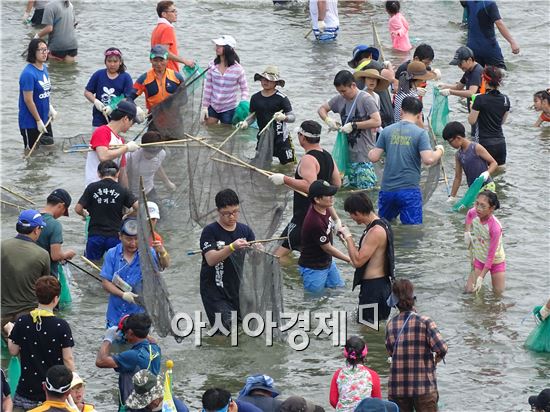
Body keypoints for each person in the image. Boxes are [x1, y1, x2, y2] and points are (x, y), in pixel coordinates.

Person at [269, 120, 341, 257]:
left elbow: (311, 187)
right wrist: (336, 218)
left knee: (276, 257)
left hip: (304, 218)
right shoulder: (328, 156)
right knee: (312, 255)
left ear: (302, 137)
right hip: (322, 217)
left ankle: (293, 276)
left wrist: (284, 179)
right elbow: (337, 183)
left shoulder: (309, 159)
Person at [368, 97, 444, 224]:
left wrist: (370, 150)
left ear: (401, 111)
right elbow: (428, 159)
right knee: (411, 231)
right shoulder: (420, 133)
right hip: (409, 191)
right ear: (420, 114)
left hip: (387, 190)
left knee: (385, 226)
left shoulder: (387, 131)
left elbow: (374, 157)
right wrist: (440, 151)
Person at [4, 276, 75, 411]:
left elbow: (13, 351)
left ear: (37, 296)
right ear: (56, 299)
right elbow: (68, 359)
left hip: (25, 393)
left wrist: (10, 332)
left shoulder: (22, 322)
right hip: (53, 395)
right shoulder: (62, 326)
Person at [385, 279, 448, 412]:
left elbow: (391, 352)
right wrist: (436, 360)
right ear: (413, 298)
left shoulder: (390, 324)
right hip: (423, 387)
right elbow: (442, 348)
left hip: (398, 388)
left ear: (395, 303)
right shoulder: (425, 322)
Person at [199, 189, 254, 329]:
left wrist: (259, 251)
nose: (232, 216)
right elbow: (211, 259)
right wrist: (231, 247)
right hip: (214, 290)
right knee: (225, 329)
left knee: (241, 328)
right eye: (227, 213)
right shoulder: (210, 231)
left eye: (235, 212)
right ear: (218, 211)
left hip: (236, 289)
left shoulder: (245, 231)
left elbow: (256, 261)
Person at [318, 70, 381, 189]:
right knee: (348, 191)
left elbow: (377, 121)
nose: (342, 94)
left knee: (366, 190)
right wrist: (328, 120)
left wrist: (354, 125)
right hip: (347, 154)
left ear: (353, 85)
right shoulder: (339, 99)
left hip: (364, 154)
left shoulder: (366, 99)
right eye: (339, 91)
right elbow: (321, 109)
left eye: (344, 91)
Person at [100, 217, 167, 327]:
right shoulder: (112, 254)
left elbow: (164, 265)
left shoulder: (148, 253)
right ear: (120, 236)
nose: (133, 243)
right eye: (128, 239)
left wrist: (162, 252)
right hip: (115, 313)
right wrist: (123, 295)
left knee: (139, 341)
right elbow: (106, 282)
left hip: (140, 313)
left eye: (137, 239)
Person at [339, 192, 394, 324]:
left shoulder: (375, 231)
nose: (351, 218)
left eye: (351, 214)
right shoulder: (382, 224)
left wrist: (348, 236)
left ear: (357, 212)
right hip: (381, 287)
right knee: (374, 329)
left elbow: (358, 262)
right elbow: (363, 256)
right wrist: (346, 241)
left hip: (374, 290)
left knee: (367, 330)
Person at [75, 160, 139, 262]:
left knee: (91, 266)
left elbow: (78, 209)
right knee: (115, 266)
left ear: (99, 174)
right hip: (114, 236)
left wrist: (85, 214)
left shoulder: (92, 187)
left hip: (95, 235)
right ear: (117, 174)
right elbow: (139, 208)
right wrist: (127, 215)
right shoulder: (122, 189)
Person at [95, 313, 161, 409]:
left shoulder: (132, 356)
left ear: (130, 332)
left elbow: (100, 361)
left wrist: (108, 339)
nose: (124, 336)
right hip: (150, 403)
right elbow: (153, 341)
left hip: (133, 407)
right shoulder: (155, 349)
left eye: (125, 332)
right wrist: (144, 333)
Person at [1, 210, 50, 331]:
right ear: (36, 229)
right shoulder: (42, 254)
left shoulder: (2, 247)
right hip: (29, 315)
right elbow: (45, 288)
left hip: (3, 313)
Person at [237, 65, 296, 165]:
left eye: (269, 80)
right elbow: (252, 116)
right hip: (263, 136)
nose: (265, 82)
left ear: (276, 83)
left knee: (287, 165)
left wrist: (284, 117)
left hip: (281, 137)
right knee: (262, 163)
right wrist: (246, 123)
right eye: (263, 79)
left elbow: (292, 117)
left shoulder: (282, 98)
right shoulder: (255, 98)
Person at [298, 180, 349, 293]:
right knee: (315, 300)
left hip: (327, 262)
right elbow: (328, 248)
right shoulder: (315, 222)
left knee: (339, 290)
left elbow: (330, 208)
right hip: (313, 268)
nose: (332, 197)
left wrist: (337, 222)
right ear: (317, 199)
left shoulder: (323, 207)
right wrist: (349, 260)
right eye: (328, 195)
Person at [83, 99, 140, 187]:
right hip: (95, 187)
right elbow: (103, 156)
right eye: (132, 122)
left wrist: (127, 196)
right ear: (125, 119)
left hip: (112, 189)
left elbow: (122, 171)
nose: (131, 126)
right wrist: (126, 148)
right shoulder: (102, 131)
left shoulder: (121, 141)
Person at [131, 45, 185, 130]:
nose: (159, 64)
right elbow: (129, 98)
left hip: (174, 119)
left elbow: (184, 99)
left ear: (167, 60)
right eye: (155, 60)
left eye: (161, 60)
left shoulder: (177, 77)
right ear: (150, 60)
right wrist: (137, 109)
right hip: (154, 119)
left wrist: (171, 104)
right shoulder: (144, 79)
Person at [442, 121, 497, 204]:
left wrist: (487, 173)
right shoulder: (458, 155)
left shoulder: (476, 148)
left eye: (450, 142)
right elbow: (458, 178)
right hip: (473, 189)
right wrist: (452, 197)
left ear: (458, 138)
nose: (450, 145)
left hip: (487, 186)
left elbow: (494, 163)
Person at [201, 35, 249, 125]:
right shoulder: (212, 66)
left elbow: (244, 89)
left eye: (220, 46)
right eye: (216, 45)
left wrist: (243, 102)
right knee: (209, 129)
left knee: (226, 132)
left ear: (228, 49)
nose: (216, 48)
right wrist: (205, 107)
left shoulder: (238, 69)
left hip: (229, 108)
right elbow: (208, 88)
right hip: (213, 106)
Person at [467, 66, 510, 166]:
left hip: (483, 143)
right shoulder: (505, 99)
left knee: (482, 175)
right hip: (500, 143)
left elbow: (471, 121)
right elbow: (502, 122)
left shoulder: (479, 99)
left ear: (484, 80)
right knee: (498, 175)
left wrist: (471, 108)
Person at [464, 191, 505, 294]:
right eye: (476, 203)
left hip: (496, 260)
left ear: (491, 208)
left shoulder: (495, 227)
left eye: (483, 206)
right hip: (480, 258)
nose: (478, 208)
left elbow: (491, 256)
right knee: (469, 292)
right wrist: (467, 232)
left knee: (498, 295)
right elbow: (469, 215)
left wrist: (481, 277)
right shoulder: (475, 212)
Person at [19, 38, 56, 149]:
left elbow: (44, 92)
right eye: (41, 50)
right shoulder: (28, 74)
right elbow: (28, 100)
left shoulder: (44, 68)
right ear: (33, 52)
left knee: (49, 148)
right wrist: (38, 121)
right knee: (32, 154)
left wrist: (50, 107)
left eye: (46, 50)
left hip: (45, 118)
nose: (45, 53)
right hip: (30, 122)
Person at [460, 0, 519, 69]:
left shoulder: (467, 2)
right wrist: (512, 42)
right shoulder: (490, 4)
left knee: (477, 76)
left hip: (471, 49)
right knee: (499, 75)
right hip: (488, 48)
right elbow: (499, 24)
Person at [84, 47, 134, 128]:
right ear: (105, 62)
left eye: (115, 61)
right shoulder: (98, 75)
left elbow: (128, 98)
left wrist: (112, 106)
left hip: (118, 118)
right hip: (99, 117)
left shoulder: (126, 77)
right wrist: (95, 101)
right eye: (109, 61)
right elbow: (87, 92)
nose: (112, 64)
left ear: (120, 62)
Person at [347, 45, 395, 128]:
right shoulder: (372, 64)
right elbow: (391, 77)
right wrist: (389, 65)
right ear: (370, 56)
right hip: (384, 116)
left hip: (370, 119)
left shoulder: (355, 75)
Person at [329, 336, 382, 411]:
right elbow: (377, 402)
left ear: (345, 354)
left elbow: (333, 400)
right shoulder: (372, 375)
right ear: (365, 354)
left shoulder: (338, 374)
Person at [36, 188, 76, 277]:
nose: (61, 214)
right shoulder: (54, 224)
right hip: (46, 276)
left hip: (29, 273)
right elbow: (56, 256)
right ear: (61, 205)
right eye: (64, 211)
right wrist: (67, 254)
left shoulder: (30, 217)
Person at [126, 131, 177, 199]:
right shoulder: (132, 155)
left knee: (159, 208)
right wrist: (126, 194)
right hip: (132, 191)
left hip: (148, 189)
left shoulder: (161, 154)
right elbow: (123, 173)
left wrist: (167, 182)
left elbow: (157, 167)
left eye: (155, 153)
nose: (151, 155)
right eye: (149, 152)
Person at [151, 1, 195, 72]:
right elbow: (165, 53)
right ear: (164, 14)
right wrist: (185, 61)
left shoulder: (156, 29)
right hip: (169, 72)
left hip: (157, 71)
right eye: (173, 11)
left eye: (176, 11)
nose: (176, 14)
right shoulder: (167, 28)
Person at [437, 46, 484, 114]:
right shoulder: (468, 70)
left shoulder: (476, 72)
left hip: (480, 111)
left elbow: (471, 93)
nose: (459, 67)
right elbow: (458, 87)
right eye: (457, 64)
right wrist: (444, 86)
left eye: (460, 63)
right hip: (474, 109)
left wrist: (450, 92)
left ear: (469, 60)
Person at [124, 369, 189, 412]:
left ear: (154, 401)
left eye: (145, 403)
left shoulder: (179, 409)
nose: (145, 406)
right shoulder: (139, 409)